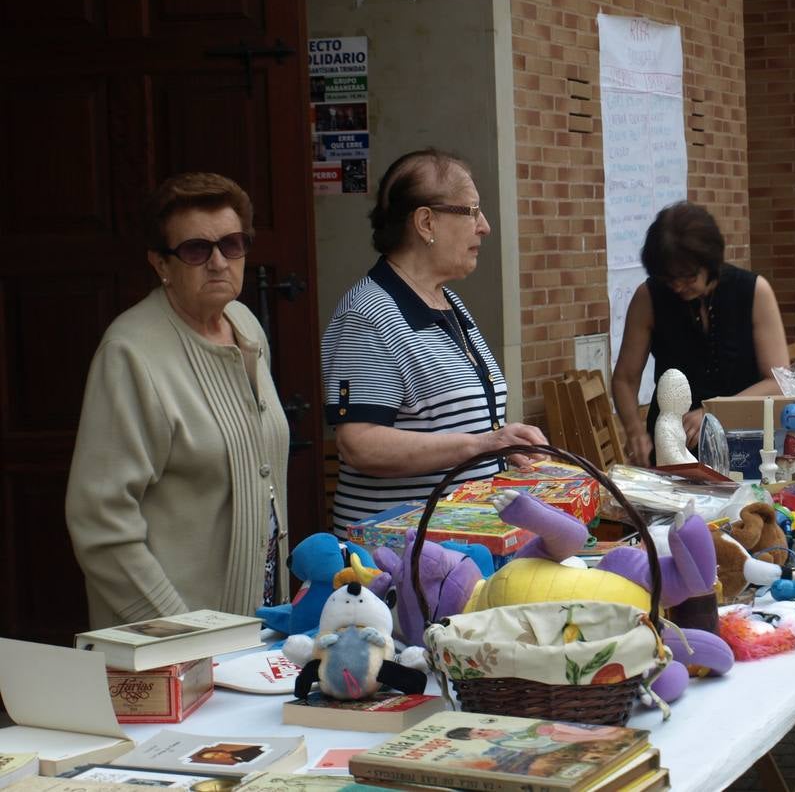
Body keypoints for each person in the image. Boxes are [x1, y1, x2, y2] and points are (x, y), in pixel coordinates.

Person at [66, 173, 289, 629]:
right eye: (195, 250)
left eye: (232, 244)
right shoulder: (130, 353)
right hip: (169, 639)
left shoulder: (244, 325)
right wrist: (181, 631)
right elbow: (101, 523)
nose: (217, 262)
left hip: (254, 625)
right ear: (161, 264)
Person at [322, 149, 545, 535]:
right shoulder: (367, 315)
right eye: (472, 211)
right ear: (426, 222)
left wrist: (503, 442)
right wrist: (482, 444)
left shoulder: (446, 300)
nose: (485, 226)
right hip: (393, 558)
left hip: (450, 549)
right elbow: (361, 444)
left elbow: (450, 423)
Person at [612, 202, 789, 467]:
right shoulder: (649, 297)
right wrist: (635, 430)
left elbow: (778, 381)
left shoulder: (753, 291)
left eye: (687, 277)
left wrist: (714, 412)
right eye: (669, 279)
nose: (678, 286)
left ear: (710, 262)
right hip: (673, 448)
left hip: (746, 445)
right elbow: (625, 378)